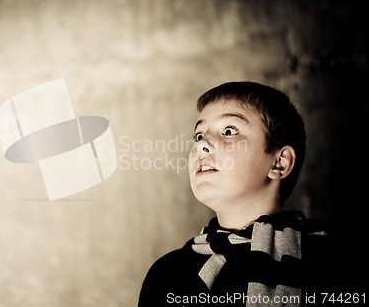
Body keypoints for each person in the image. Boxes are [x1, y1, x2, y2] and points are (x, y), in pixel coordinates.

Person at [138, 81, 364, 306]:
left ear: (279, 162)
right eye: (198, 135)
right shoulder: (167, 274)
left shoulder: (335, 265)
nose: (202, 144)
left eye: (229, 131)